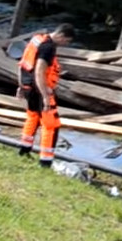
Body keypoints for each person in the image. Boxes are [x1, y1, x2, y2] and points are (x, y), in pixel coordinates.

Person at [16, 23, 74, 166]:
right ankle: (46, 161)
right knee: (51, 125)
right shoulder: (47, 48)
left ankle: (24, 150)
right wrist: (45, 96)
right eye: (66, 41)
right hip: (39, 89)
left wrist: (21, 85)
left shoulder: (37, 39)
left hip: (28, 85)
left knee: (33, 117)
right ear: (61, 36)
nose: (65, 44)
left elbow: (23, 63)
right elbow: (39, 71)